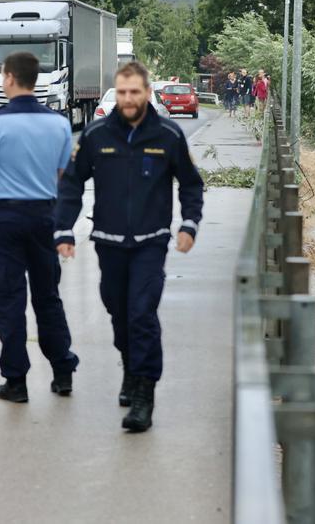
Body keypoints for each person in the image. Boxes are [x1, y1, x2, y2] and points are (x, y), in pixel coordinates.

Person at [54, 61, 204, 433]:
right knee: (118, 313)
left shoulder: (168, 134)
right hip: (108, 242)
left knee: (142, 314)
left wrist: (189, 223)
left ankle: (143, 395)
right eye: (121, 92)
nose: (128, 99)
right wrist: (64, 229)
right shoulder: (96, 135)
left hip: (151, 242)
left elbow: (190, 184)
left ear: (147, 93)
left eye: (134, 92)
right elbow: (71, 184)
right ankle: (130, 369)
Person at [0, 51, 79, 403]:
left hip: (7, 220)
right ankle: (62, 371)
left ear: (10, 78)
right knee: (48, 296)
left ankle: (16, 382)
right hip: (45, 217)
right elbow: (64, 178)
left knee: (10, 300)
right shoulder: (58, 124)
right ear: (35, 79)